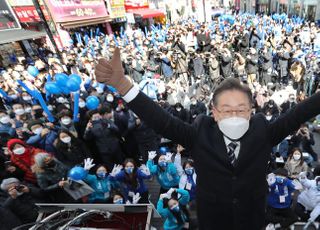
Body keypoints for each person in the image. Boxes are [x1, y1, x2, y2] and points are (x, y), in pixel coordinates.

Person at [95, 49, 320, 229]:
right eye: (226, 109)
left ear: (251, 110)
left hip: (252, 219)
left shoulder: (263, 130)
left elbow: (297, 114)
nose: (234, 115)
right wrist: (123, 85)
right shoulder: (199, 132)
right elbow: (160, 119)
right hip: (212, 220)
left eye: (241, 109)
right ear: (214, 111)